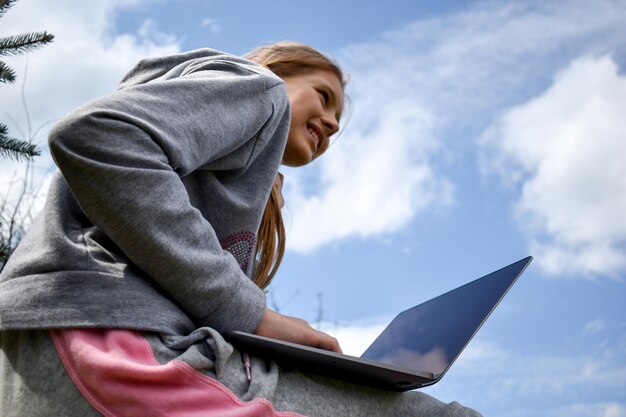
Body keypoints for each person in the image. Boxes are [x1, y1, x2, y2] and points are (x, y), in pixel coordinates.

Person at [0, 41, 482, 416]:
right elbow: (95, 133)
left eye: (338, 121)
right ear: (279, 69)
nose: (332, 123)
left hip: (51, 362)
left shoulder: (232, 174)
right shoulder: (259, 88)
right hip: (109, 349)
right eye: (324, 96)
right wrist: (249, 313)